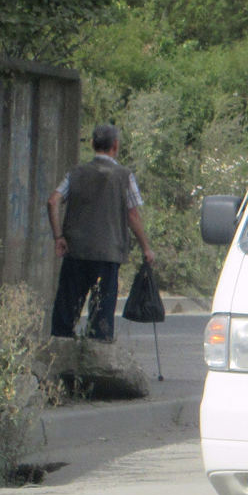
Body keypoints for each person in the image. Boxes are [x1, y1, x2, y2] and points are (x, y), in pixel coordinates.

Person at [46, 123, 154, 341]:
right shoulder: (124, 176)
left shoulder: (76, 173)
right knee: (101, 318)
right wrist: (146, 248)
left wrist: (59, 237)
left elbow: (53, 201)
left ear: (93, 144)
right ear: (116, 146)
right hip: (108, 256)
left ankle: (59, 363)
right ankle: (96, 365)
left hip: (76, 253)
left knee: (65, 316)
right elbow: (132, 215)